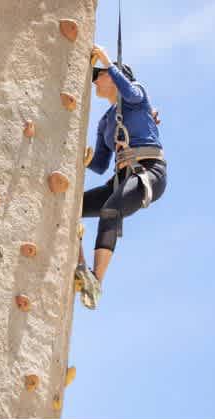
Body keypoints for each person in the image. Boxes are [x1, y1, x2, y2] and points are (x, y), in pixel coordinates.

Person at [75, 45, 168, 310]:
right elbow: (102, 164)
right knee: (73, 208)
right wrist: (84, 157)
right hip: (122, 175)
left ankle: (96, 280)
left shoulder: (137, 97)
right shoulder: (105, 122)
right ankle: (80, 265)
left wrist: (107, 60)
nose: (95, 80)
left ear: (114, 77)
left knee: (110, 211)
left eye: (99, 74)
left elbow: (130, 90)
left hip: (148, 171)